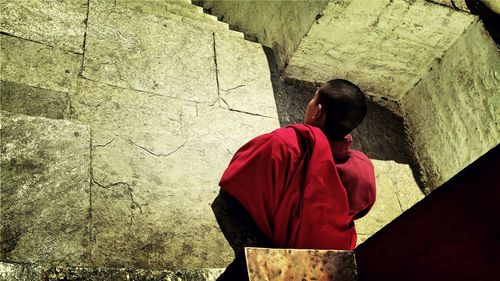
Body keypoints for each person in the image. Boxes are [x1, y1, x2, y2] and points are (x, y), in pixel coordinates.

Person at [212, 79, 377, 280]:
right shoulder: (363, 169)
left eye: (313, 97)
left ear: (318, 111)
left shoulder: (283, 145)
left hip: (277, 261)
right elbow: (360, 210)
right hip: (322, 265)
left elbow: (237, 179)